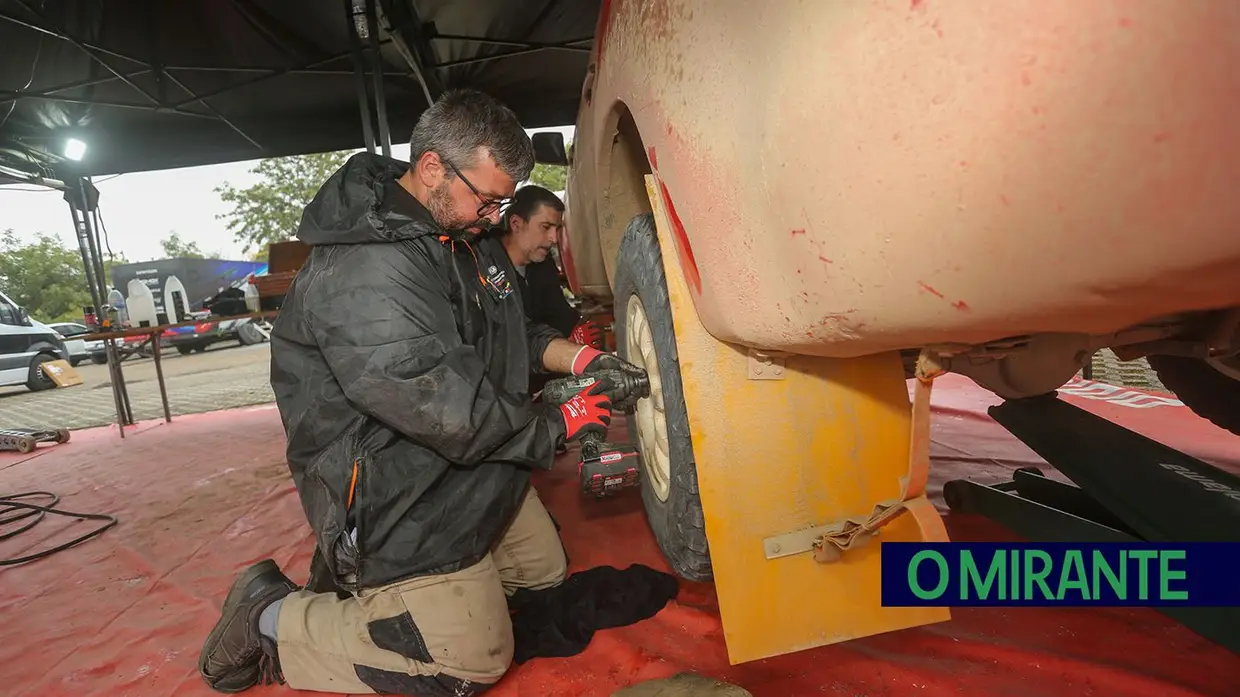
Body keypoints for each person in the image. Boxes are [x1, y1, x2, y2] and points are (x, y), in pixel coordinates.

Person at [197, 88, 644, 696]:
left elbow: (512, 330)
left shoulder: (461, 233)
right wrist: (558, 419)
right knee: (470, 660)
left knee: (546, 577)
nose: (496, 216)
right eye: (488, 199)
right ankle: (266, 616)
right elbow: (436, 400)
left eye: (504, 202)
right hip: (389, 485)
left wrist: (586, 358)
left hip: (460, 455)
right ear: (433, 166)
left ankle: (453, 585)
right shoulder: (366, 270)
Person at [495, 184, 605, 394]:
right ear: (516, 223)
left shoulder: (541, 266)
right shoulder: (481, 267)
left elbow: (558, 312)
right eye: (546, 227)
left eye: (557, 229)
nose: (554, 239)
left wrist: (577, 330)